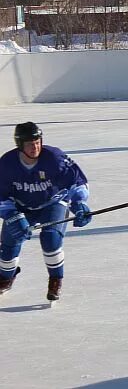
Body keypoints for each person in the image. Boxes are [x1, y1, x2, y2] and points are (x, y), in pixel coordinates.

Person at [0, 122, 92, 302]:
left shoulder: (55, 158)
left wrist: (79, 203)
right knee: (10, 243)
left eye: (37, 142)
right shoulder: (6, 164)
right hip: (20, 207)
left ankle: (55, 279)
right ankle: (5, 277)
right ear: (19, 145)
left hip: (52, 204)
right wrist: (11, 215)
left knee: (51, 238)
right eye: (29, 144)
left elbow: (77, 182)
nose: (35, 147)